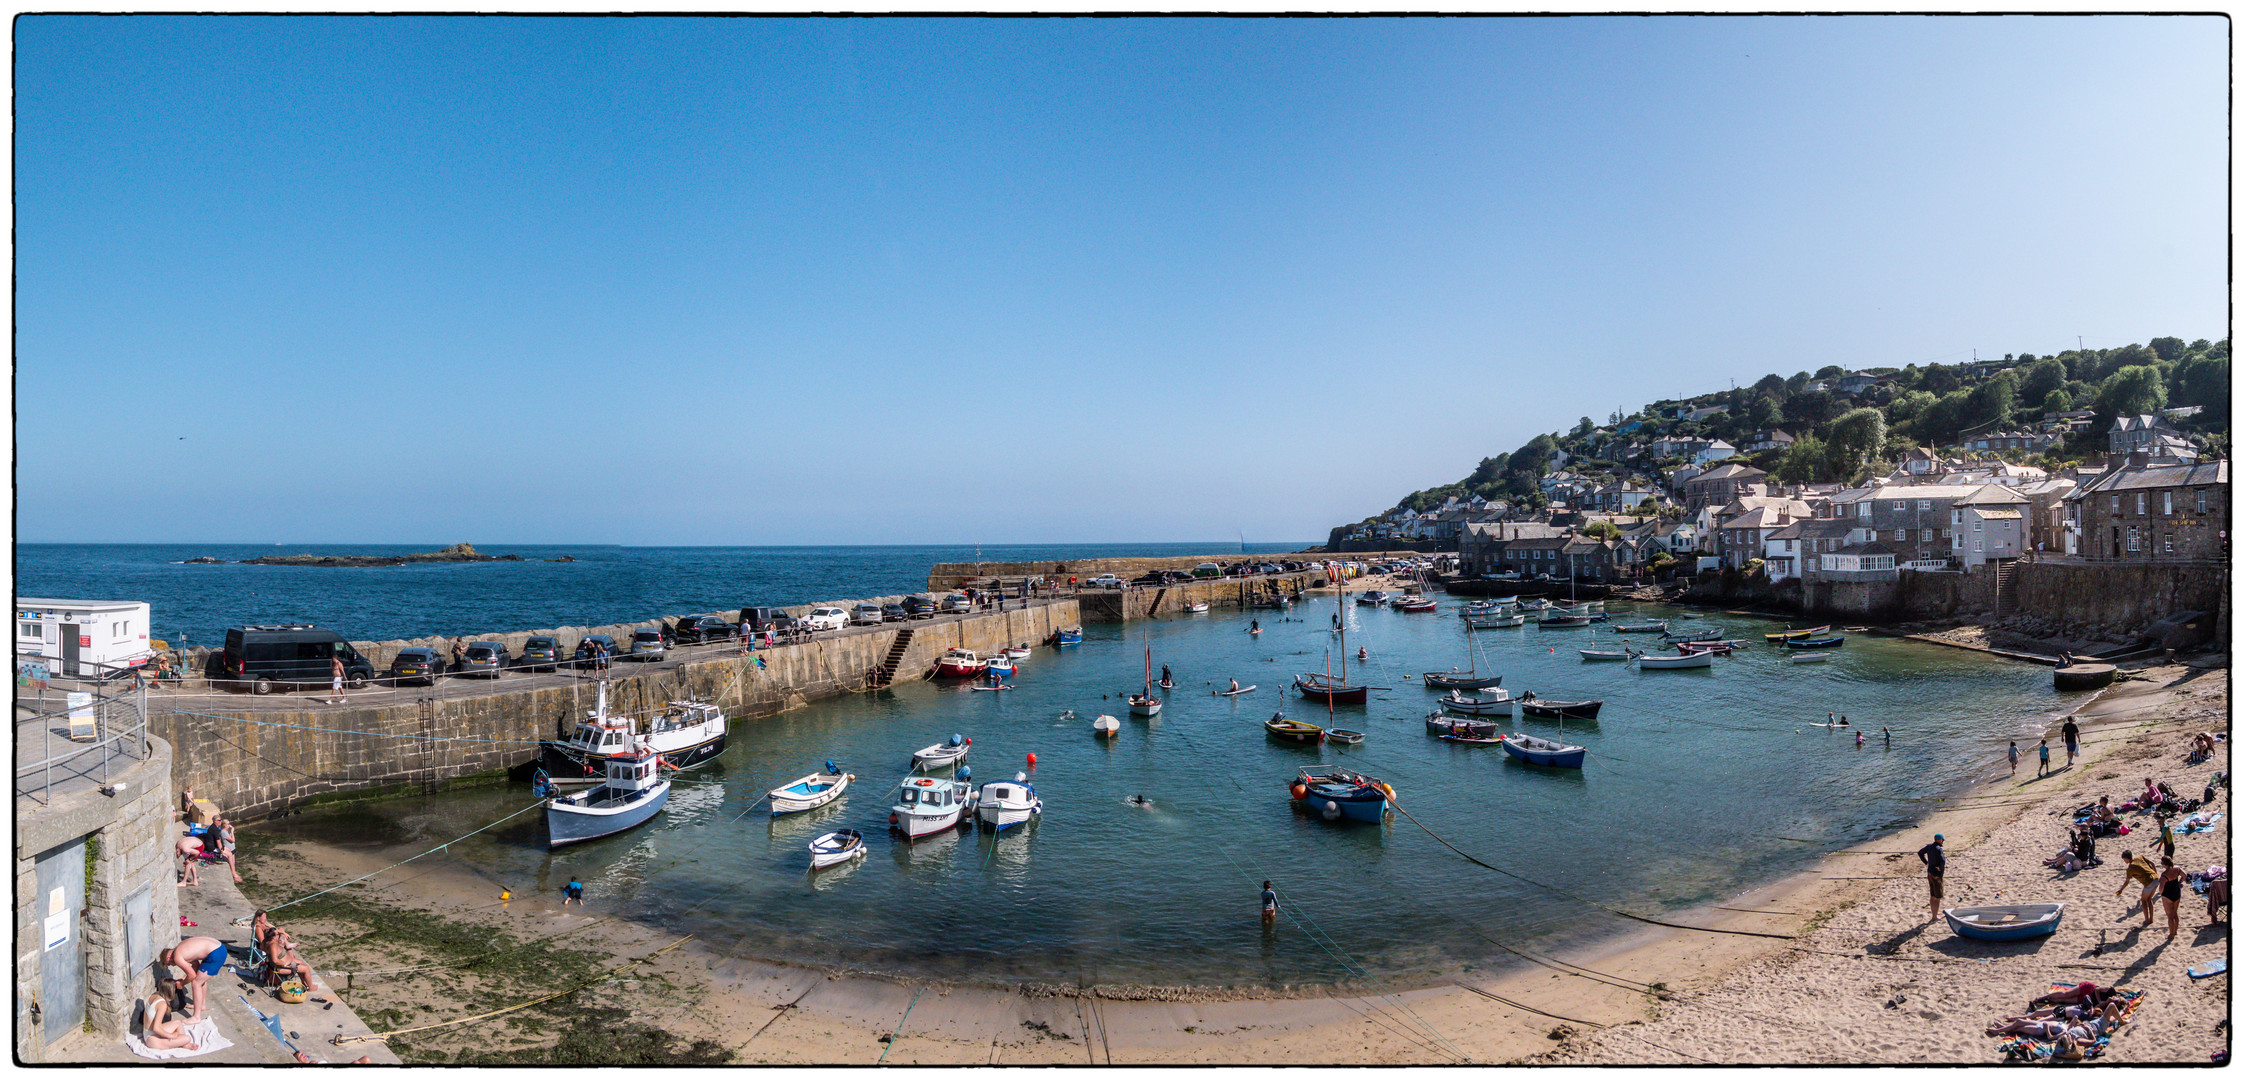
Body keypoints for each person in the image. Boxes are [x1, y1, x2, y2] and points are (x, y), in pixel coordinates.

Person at [159, 937, 228, 1021]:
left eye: (169, 964)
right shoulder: (180, 948)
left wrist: (181, 984)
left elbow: (191, 976)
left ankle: (196, 1017)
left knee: (196, 983)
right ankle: (202, 1005)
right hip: (219, 947)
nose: (173, 965)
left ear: (168, 958)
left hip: (216, 953)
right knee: (201, 978)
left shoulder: (177, 956)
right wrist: (183, 978)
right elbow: (195, 966)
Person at [139, 978, 199, 1052]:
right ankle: (184, 1043)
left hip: (148, 1033)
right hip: (152, 1040)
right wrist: (170, 1035)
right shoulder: (162, 1004)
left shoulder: (155, 995)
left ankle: (185, 1044)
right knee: (187, 1038)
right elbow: (156, 1028)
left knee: (178, 1023)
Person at [2117, 851, 2158, 925]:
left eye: (2124, 859)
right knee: (2149, 899)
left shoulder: (2130, 868)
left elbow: (2127, 881)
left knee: (2143, 900)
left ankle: (2147, 920)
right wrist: (2155, 873)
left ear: (2126, 858)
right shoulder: (2140, 857)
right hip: (2156, 879)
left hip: (2149, 882)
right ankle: (2151, 919)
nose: (2124, 861)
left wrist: (2121, 890)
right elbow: (2152, 864)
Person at [1918, 834, 1946, 922]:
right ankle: (1935, 917)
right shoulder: (1939, 849)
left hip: (1930, 873)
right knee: (1937, 897)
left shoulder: (1929, 847)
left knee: (1932, 895)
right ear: (1940, 840)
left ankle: (1934, 915)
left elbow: (1920, 853)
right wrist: (1940, 868)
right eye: (1942, 840)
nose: (1942, 842)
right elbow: (1942, 861)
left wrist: (1926, 863)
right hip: (1937, 875)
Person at [2160, 858, 2185, 941]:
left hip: (2167, 895)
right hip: (2176, 892)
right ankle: (2175, 931)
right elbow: (2184, 875)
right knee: (2175, 913)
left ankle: (2171, 934)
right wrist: (2179, 882)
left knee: (2170, 916)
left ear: (2165, 864)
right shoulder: (2177, 869)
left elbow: (2161, 889)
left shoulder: (2164, 875)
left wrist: (2161, 893)